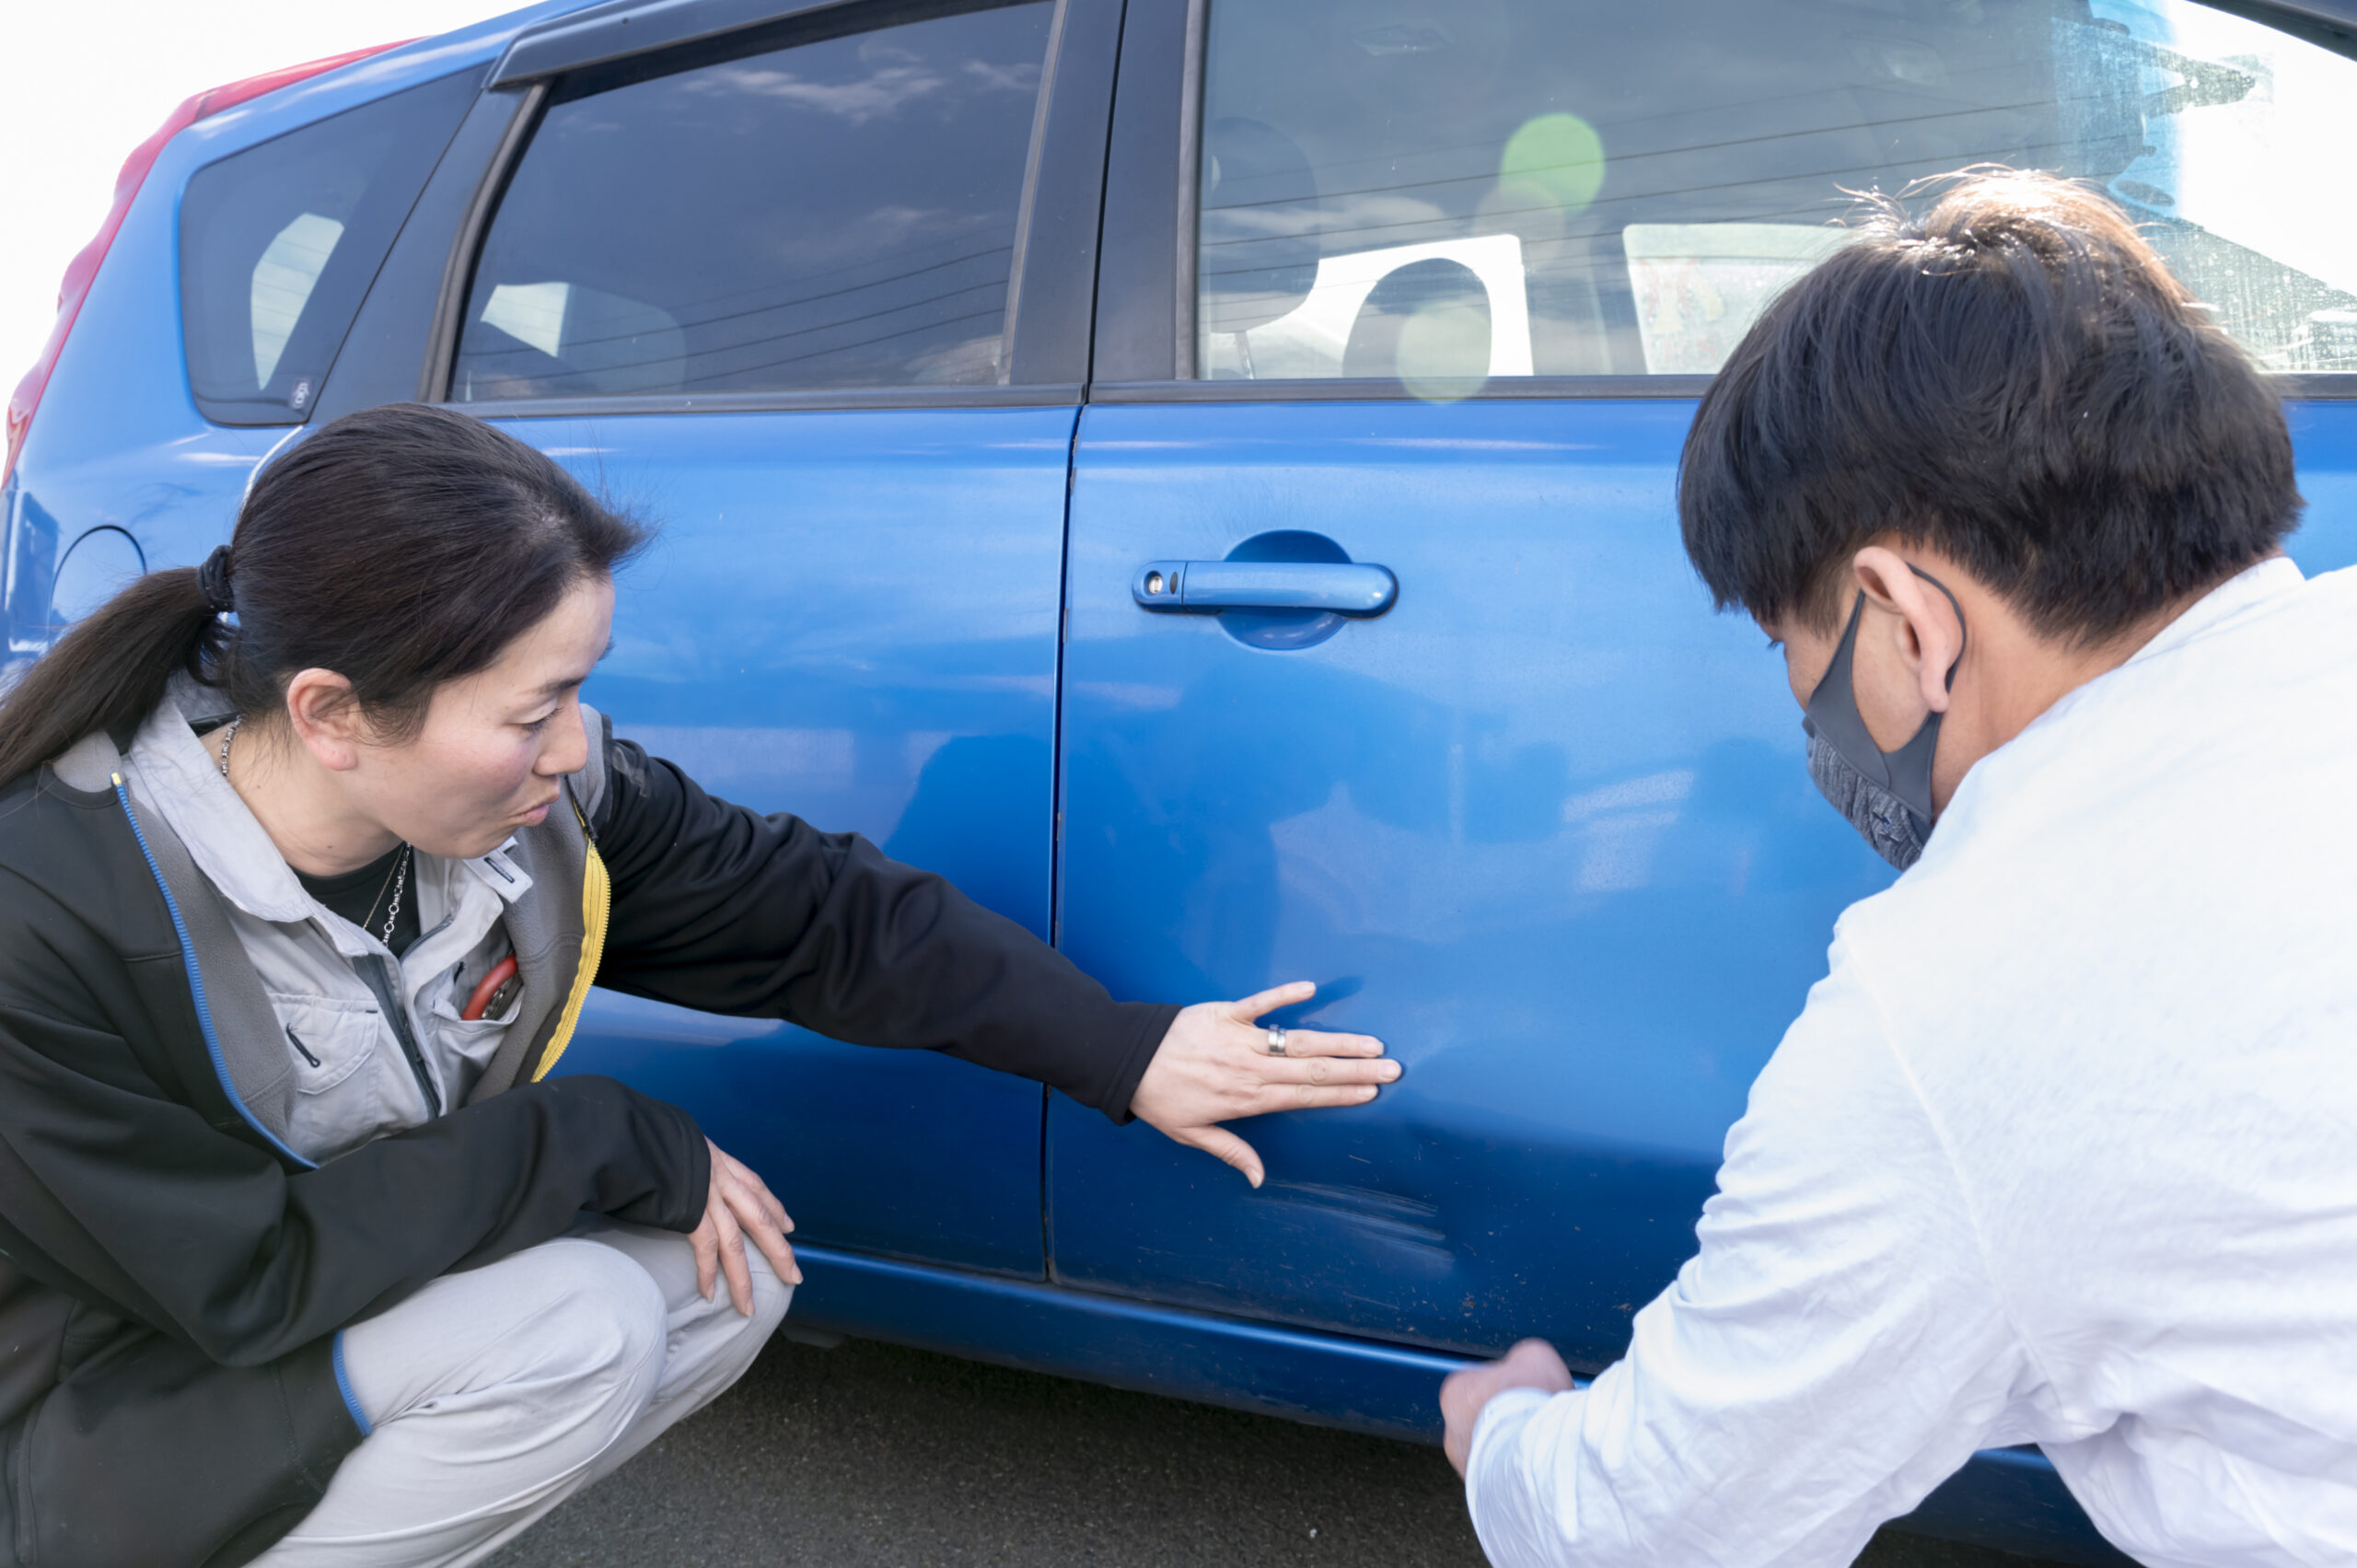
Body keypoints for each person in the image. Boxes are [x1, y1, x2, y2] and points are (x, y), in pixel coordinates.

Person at [0, 403, 1399, 1568]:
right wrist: (609, 1136)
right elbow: (243, 1281)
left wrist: (1118, 1050)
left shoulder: (533, 806)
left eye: (581, 687)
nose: (572, 746)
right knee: (577, 1322)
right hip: (90, 1410)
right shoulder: (49, 909)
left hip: (279, 1316)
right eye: (529, 709)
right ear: (330, 714)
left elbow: (818, 915)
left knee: (719, 1278)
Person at [1442, 170, 2357, 1566]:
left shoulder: (1969, 1005)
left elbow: (1641, 1536)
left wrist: (1504, 1432)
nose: (1806, 718)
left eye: (1793, 661)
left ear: (1904, 618)